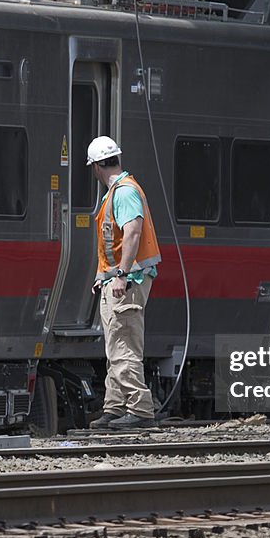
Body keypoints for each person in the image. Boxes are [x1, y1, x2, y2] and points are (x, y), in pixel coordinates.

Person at [85, 136, 162, 430]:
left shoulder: (125, 192)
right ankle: (115, 408)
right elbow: (112, 242)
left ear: (95, 167)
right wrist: (103, 277)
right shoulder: (117, 191)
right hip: (115, 280)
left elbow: (131, 233)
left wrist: (121, 275)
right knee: (115, 346)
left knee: (124, 345)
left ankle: (140, 409)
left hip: (128, 282)